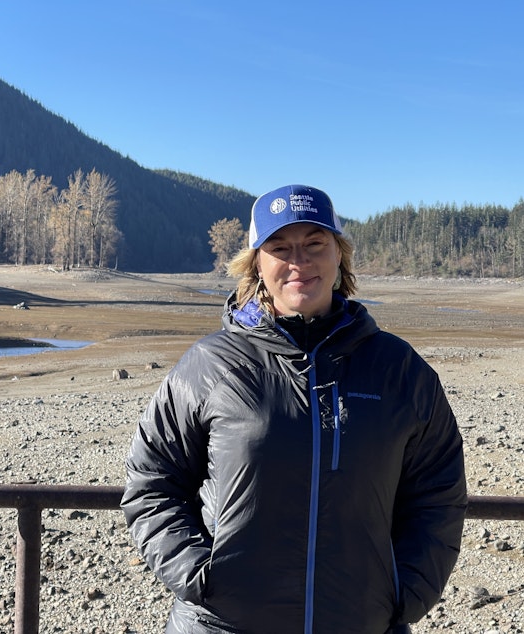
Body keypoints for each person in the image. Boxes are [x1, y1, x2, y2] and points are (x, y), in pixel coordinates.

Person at [121, 184, 467, 633]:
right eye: (279, 247)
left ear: (338, 255)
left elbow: (438, 493)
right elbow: (152, 481)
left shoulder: (399, 371)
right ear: (256, 264)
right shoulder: (209, 366)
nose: (298, 262)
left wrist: (406, 592)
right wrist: (198, 575)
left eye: (315, 244)